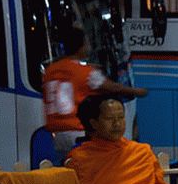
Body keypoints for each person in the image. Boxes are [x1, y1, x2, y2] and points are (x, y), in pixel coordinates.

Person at [43, 26, 147, 163]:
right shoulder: (85, 72)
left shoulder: (50, 71)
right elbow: (112, 87)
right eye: (87, 43)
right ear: (80, 47)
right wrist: (136, 91)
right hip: (77, 130)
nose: (89, 46)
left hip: (55, 134)